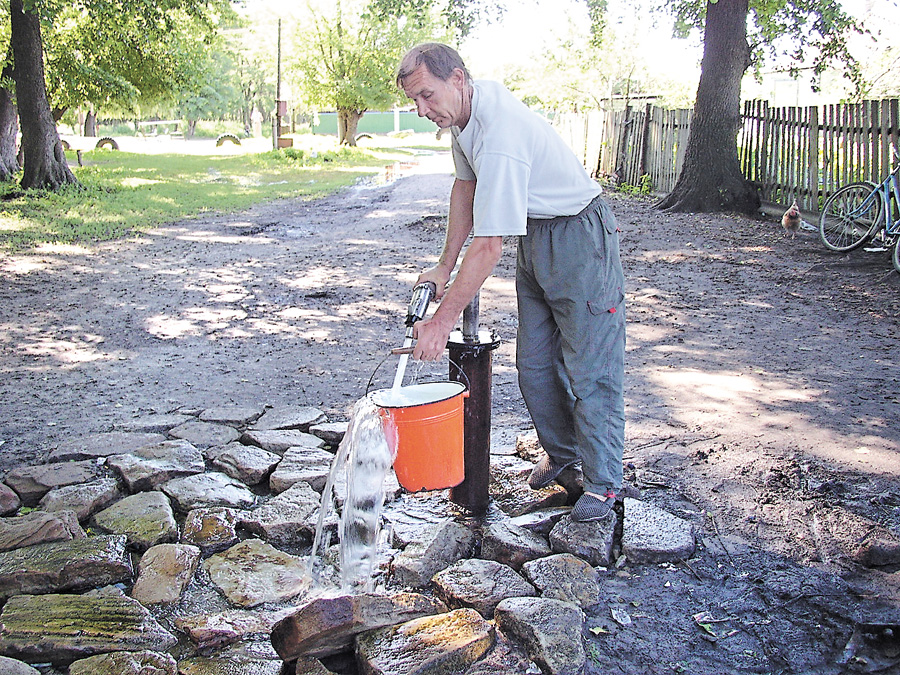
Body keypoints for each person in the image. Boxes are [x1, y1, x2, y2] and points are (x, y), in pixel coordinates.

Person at [396, 43, 626, 522]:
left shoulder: (501, 132)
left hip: (579, 237)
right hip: (536, 235)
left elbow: (488, 246)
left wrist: (441, 321)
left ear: (457, 78)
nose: (422, 111)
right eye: (414, 101)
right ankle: (565, 458)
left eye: (426, 96)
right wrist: (443, 265)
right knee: (536, 365)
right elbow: (467, 187)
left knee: (590, 369)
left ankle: (604, 485)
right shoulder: (464, 118)